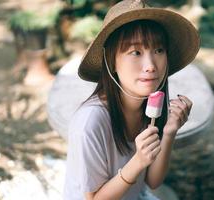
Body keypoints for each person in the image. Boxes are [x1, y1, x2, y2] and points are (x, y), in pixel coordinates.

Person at [63, 0, 200, 199]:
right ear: (112, 62)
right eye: (136, 52)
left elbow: (152, 181)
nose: (151, 65)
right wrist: (137, 161)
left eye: (158, 50)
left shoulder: (148, 106)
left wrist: (169, 132)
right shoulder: (89, 124)